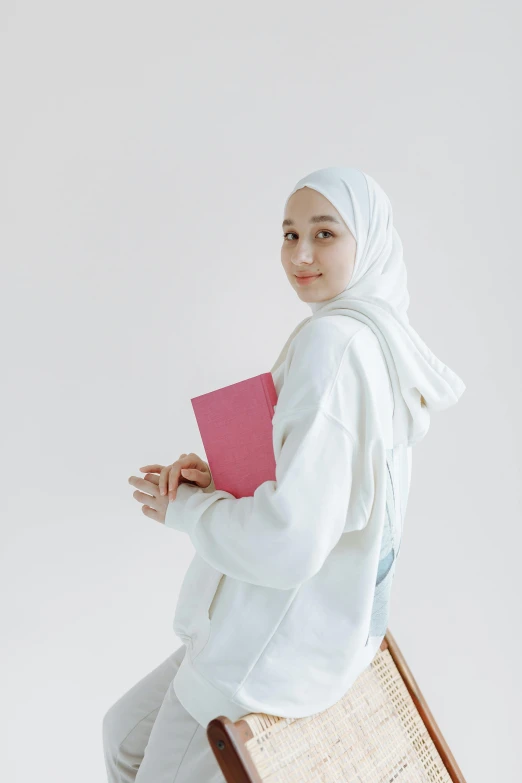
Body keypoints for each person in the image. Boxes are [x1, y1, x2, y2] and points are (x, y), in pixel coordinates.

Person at [103, 166, 466, 782]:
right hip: (311, 631)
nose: (301, 253)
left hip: (264, 645)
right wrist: (215, 479)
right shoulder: (379, 336)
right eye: (289, 233)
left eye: (325, 234)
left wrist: (186, 511)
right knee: (123, 736)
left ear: (368, 240)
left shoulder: (334, 346)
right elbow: (328, 483)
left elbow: (290, 539)